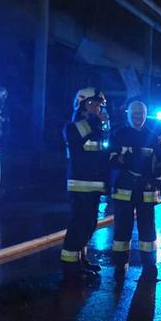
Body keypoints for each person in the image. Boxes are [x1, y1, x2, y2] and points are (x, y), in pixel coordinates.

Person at [109, 99, 161, 281]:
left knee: (148, 230)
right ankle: (120, 264)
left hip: (146, 190)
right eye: (134, 115)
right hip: (124, 188)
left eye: (140, 115)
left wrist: (159, 173)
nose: (138, 118)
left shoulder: (152, 136)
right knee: (121, 229)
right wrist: (117, 161)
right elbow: (108, 156)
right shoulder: (119, 134)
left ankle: (149, 265)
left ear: (145, 115)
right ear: (128, 115)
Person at [60, 88, 108, 279]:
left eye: (99, 105)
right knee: (79, 225)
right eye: (92, 104)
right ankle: (70, 265)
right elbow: (76, 137)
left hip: (95, 187)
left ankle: (80, 259)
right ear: (81, 105)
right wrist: (95, 122)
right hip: (80, 187)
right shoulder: (73, 127)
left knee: (89, 225)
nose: (96, 108)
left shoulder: (97, 129)